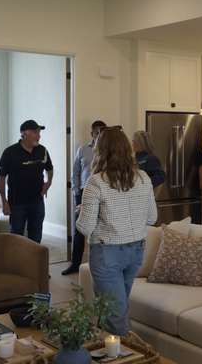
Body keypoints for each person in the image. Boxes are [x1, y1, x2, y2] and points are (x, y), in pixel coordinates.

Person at [76, 128, 157, 335]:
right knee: (116, 309)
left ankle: (125, 355)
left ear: (100, 150)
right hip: (136, 252)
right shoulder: (144, 178)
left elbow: (84, 226)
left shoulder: (96, 182)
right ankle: (106, 352)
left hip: (107, 253)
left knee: (114, 314)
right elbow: (152, 218)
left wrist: (81, 210)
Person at [0, 120, 53, 243]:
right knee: (16, 237)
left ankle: (33, 261)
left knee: (36, 235)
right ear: (24, 134)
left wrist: (48, 183)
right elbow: (1, 177)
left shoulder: (42, 150)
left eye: (39, 132)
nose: (38, 135)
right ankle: (17, 262)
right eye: (35, 132)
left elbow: (49, 169)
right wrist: (4, 201)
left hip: (37, 201)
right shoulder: (10, 152)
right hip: (17, 203)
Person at [62, 120, 106, 275]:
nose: (99, 135)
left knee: (100, 230)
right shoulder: (82, 149)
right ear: (91, 133)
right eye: (96, 132)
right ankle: (75, 264)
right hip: (83, 193)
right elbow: (75, 172)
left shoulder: (108, 151)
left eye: (102, 132)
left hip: (102, 194)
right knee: (79, 230)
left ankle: (98, 266)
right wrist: (76, 192)